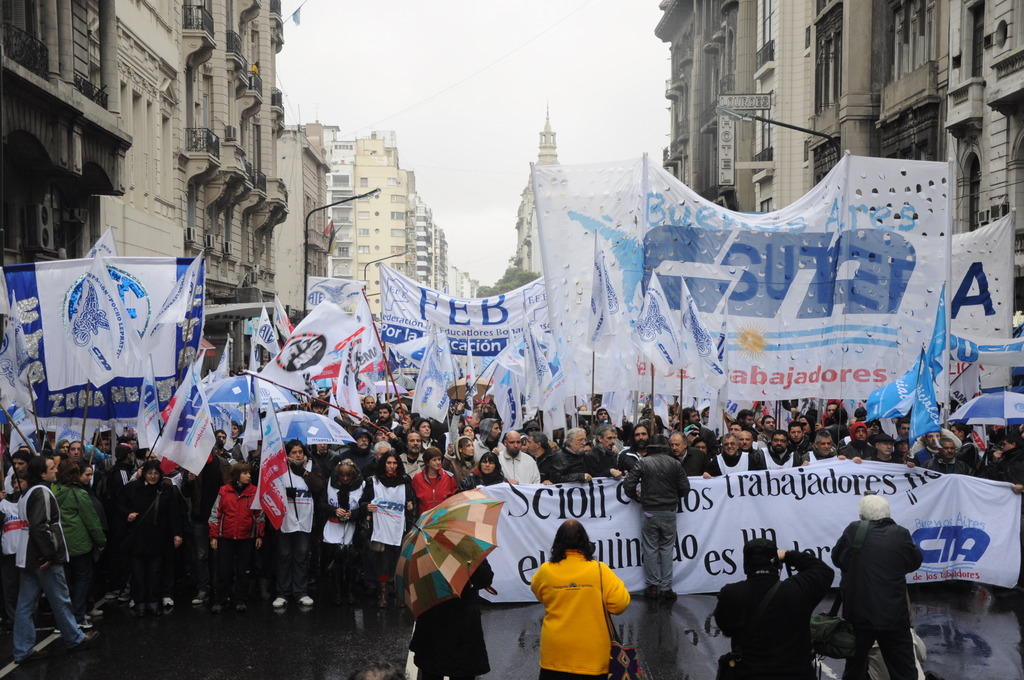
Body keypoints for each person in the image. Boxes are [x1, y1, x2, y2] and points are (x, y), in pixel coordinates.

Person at [13, 456, 100, 664]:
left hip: (27, 555)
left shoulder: (27, 493)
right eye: (52, 468)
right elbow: (40, 526)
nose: (56, 470)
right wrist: (50, 554)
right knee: (60, 599)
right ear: (42, 474)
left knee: (25, 604)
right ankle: (74, 638)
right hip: (42, 557)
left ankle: (22, 649)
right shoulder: (42, 492)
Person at [714, 538, 834, 679]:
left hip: (749, 673)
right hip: (797, 674)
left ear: (746, 565)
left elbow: (726, 628)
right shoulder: (798, 589)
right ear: (777, 564)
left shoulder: (730, 594)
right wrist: (788, 555)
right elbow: (823, 571)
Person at [832, 494, 923, 680]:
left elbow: (837, 558)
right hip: (893, 615)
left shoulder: (854, 530)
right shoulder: (901, 533)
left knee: (855, 669)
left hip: (859, 614)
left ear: (862, 516)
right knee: (904, 670)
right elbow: (914, 562)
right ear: (887, 513)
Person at [530, 520, 630, 679]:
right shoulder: (600, 570)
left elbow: (539, 594)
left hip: (555, 655)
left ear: (557, 542)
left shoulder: (545, 571)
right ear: (585, 542)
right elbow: (619, 605)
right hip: (593, 656)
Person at [623, 434, 689, 601]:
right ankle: (666, 587)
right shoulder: (675, 463)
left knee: (650, 548)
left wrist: (637, 497)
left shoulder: (643, 462)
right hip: (668, 510)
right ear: (665, 448)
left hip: (649, 511)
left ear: (650, 448)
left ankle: (652, 586)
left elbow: (628, 484)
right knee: (667, 549)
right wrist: (673, 496)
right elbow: (685, 488)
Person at [410, 558, 494, 680]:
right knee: (455, 671)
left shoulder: (424, 552)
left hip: (433, 627)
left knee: (432, 670)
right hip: (460, 631)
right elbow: (485, 579)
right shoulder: (467, 551)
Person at [121, 460, 184, 617]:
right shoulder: (132, 488)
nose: (153, 476)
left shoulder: (165, 489)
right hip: (137, 538)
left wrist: (177, 533)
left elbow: (173, 513)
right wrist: (127, 515)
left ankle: (153, 600)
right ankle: (139, 600)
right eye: (149, 473)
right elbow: (119, 505)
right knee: (138, 572)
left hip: (158, 538)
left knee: (154, 571)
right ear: (144, 473)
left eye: (156, 473)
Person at [51, 460, 106, 629]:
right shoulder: (78, 493)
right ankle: (78, 616)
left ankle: (62, 620)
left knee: (64, 583)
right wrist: (100, 540)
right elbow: (91, 520)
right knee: (82, 579)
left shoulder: (52, 491)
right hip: (79, 543)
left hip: (59, 544)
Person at [359, 451, 417, 608]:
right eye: (389, 463)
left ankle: (398, 593)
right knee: (383, 563)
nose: (392, 466)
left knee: (398, 563)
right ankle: (383, 593)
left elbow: (412, 503)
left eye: (395, 463)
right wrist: (367, 506)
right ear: (383, 464)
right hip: (381, 529)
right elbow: (362, 502)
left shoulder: (405, 481)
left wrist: (410, 508)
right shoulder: (373, 481)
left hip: (399, 529)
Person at [273, 440, 324, 609]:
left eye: (300, 452)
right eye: (294, 452)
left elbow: (318, 486)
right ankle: (282, 593)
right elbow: (272, 489)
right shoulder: (281, 468)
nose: (298, 455)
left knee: (302, 556)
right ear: (288, 454)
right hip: (285, 520)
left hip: (304, 519)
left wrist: (303, 473)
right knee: (284, 556)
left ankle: (300, 592)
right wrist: (283, 492)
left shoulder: (311, 467)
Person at [208, 462, 264, 614]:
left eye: (249, 473)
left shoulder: (254, 492)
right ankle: (220, 600)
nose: (249, 476)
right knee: (223, 570)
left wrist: (259, 535)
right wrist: (214, 536)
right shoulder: (224, 490)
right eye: (245, 473)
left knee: (243, 570)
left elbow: (259, 516)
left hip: (246, 537)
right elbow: (216, 513)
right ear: (236, 475)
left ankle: (240, 600)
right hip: (226, 536)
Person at [322, 459, 365, 606]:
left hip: (352, 529)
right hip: (333, 528)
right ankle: (337, 592)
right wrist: (334, 510)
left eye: (349, 476)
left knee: (351, 564)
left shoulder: (362, 485)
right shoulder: (329, 483)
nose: (345, 479)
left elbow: (365, 506)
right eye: (342, 476)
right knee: (335, 564)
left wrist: (353, 514)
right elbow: (321, 503)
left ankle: (351, 592)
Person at [411, 447, 459, 513]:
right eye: (434, 460)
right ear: (427, 463)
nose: (438, 462)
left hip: (444, 517)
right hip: (424, 518)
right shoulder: (417, 478)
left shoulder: (449, 478)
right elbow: (414, 501)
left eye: (439, 459)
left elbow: (455, 499)